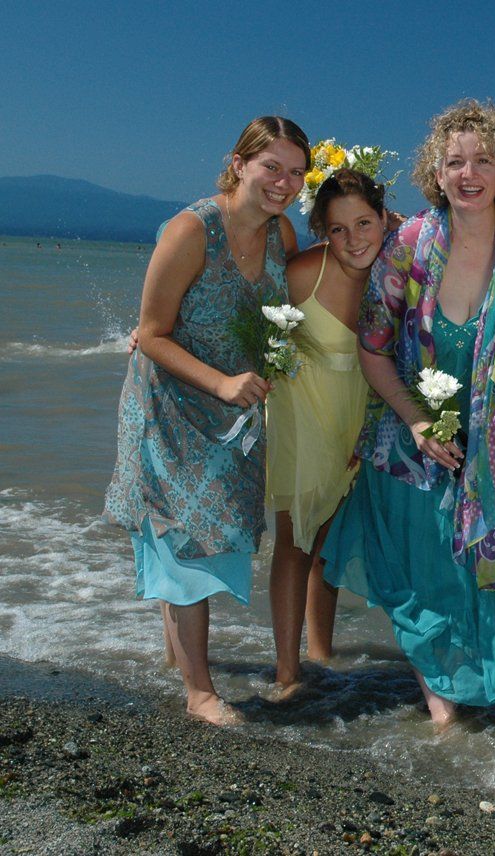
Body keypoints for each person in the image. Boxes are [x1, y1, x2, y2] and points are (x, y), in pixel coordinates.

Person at [321, 100, 495, 726]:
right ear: (436, 174)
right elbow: (372, 349)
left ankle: (461, 700)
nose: (468, 174)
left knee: (467, 576)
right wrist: (418, 422)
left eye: (483, 161)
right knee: (422, 577)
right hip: (407, 440)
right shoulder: (408, 245)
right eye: (454, 163)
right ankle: (443, 712)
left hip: (485, 445)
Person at [103, 117, 309, 725]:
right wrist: (220, 381)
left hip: (234, 416)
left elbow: (296, 303)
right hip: (169, 408)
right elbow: (151, 334)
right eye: (272, 167)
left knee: (212, 534)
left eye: (297, 172)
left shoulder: (282, 233)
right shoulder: (191, 230)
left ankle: (178, 653)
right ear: (239, 164)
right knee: (184, 542)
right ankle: (200, 693)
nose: (284, 182)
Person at [265, 169, 386, 696]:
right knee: (295, 540)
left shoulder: (395, 270)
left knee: (328, 544)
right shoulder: (302, 275)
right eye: (338, 229)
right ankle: (288, 673)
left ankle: (322, 655)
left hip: (357, 417)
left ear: (384, 219)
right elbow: (243, 317)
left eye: (364, 223)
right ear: (323, 232)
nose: (354, 239)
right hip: (301, 412)